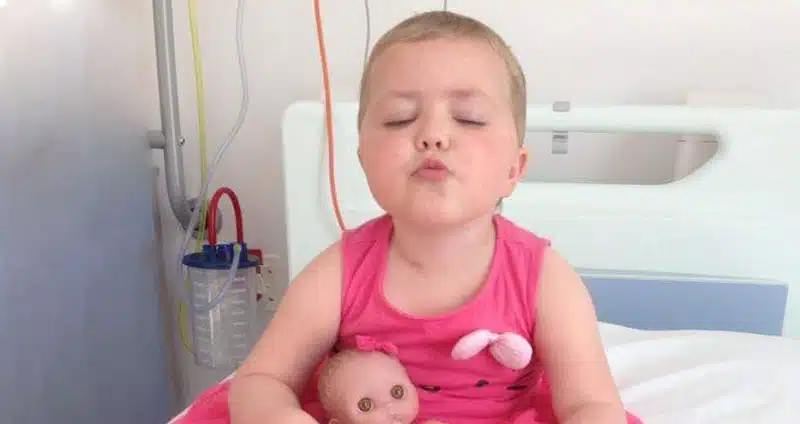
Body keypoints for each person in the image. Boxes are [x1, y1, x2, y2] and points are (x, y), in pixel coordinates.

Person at [229, 10, 643, 424]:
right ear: (364, 161)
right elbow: (262, 379)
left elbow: (591, 405)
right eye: (399, 118)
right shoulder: (337, 275)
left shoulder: (545, 281)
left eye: (469, 118)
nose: (433, 135)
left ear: (513, 170)